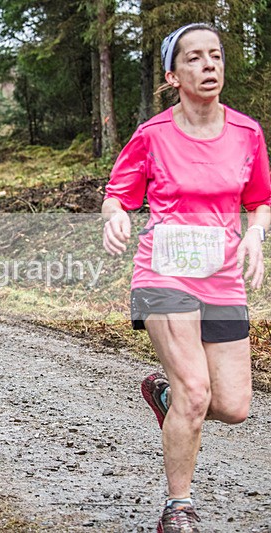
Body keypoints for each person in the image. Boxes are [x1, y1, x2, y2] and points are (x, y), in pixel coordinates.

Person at [102, 23, 271, 533]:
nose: (209, 65)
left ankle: (166, 396)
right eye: (194, 58)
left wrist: (256, 235)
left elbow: (260, 201)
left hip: (222, 277)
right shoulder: (153, 135)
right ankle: (179, 508)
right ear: (173, 75)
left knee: (234, 406)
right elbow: (119, 193)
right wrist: (116, 216)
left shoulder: (247, 133)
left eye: (215, 56)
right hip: (164, 270)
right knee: (197, 392)